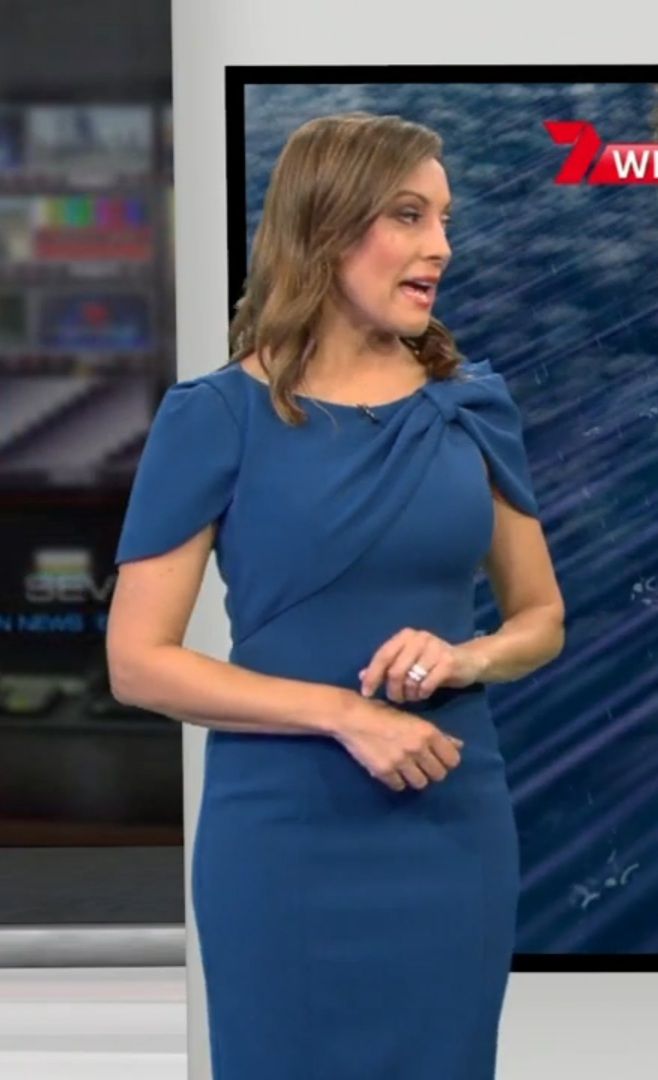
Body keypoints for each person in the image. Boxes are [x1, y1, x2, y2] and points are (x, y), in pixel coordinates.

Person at [107, 111, 565, 1080]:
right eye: (408, 215)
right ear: (326, 225)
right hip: (282, 841)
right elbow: (137, 662)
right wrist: (346, 715)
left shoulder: (469, 406)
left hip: (449, 827)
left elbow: (541, 618)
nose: (440, 247)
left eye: (443, 219)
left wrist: (467, 656)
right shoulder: (215, 417)